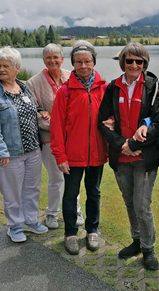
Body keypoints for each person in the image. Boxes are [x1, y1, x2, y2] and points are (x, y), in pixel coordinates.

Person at [98, 42, 159, 271]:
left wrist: (135, 144)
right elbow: (103, 122)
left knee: (142, 205)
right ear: (122, 62)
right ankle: (136, 241)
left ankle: (148, 248)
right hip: (121, 157)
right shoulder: (113, 88)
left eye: (139, 61)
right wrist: (122, 145)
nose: (134, 65)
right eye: (130, 61)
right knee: (129, 203)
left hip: (145, 158)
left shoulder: (153, 86)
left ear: (145, 64)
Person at [0, 46, 48, 243]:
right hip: (10, 152)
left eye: (6, 66)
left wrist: (41, 110)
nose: (1, 69)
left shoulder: (23, 86)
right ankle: (15, 225)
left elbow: (31, 104)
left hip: (33, 149)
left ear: (17, 68)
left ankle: (30, 220)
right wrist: (1, 151)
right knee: (12, 192)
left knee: (32, 188)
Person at [50, 40, 107, 255]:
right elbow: (56, 127)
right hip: (72, 155)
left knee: (94, 192)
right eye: (78, 62)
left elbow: (110, 119)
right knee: (71, 194)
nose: (83, 66)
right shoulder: (64, 92)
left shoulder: (103, 88)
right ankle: (71, 233)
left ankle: (92, 230)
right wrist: (60, 155)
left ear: (93, 62)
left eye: (87, 61)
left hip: (97, 154)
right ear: (73, 64)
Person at [27, 43, 84, 229]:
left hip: (73, 138)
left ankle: (76, 210)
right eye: (48, 57)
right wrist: (55, 124)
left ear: (62, 59)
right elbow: (33, 112)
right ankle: (52, 213)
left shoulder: (72, 76)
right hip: (50, 138)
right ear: (44, 60)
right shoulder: (33, 82)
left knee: (73, 177)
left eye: (55, 57)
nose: (52, 60)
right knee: (56, 177)